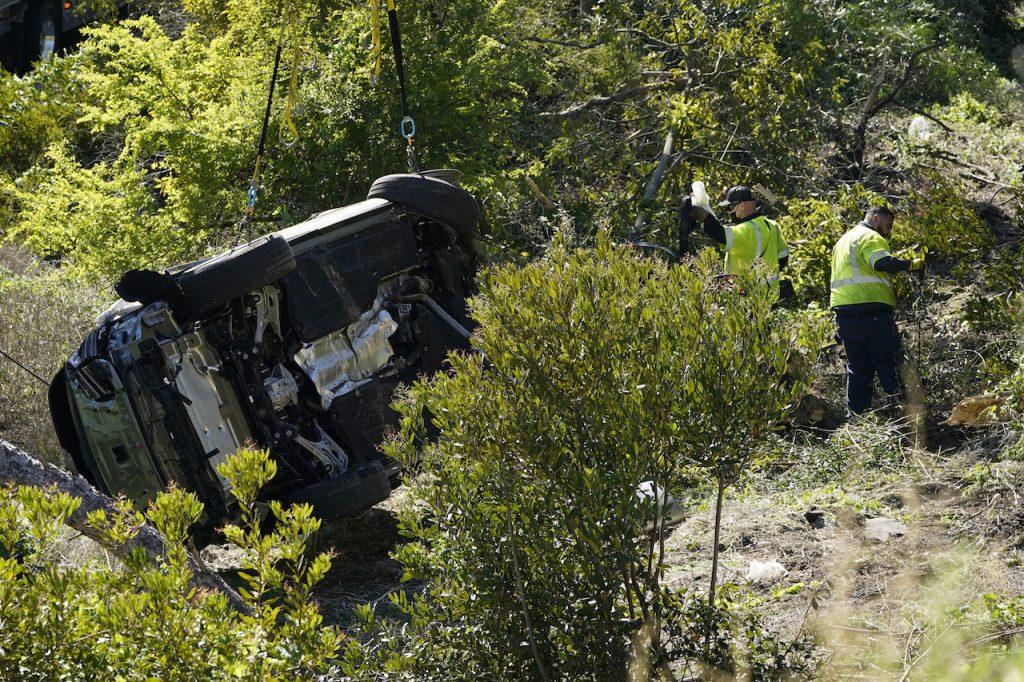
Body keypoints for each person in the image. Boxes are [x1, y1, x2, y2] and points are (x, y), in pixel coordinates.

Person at [830, 206, 924, 415]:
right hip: (872, 313)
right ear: (875, 218)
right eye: (888, 225)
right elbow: (881, 262)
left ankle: (856, 417)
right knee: (886, 363)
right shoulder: (870, 236)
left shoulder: (843, 240)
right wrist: (910, 265)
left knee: (857, 369)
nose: (889, 231)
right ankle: (903, 415)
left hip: (845, 314)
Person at [680, 185, 789, 292]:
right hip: (772, 294)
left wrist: (703, 216)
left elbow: (721, 234)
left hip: (751, 298)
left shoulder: (749, 229)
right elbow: (783, 258)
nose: (729, 211)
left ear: (742, 206)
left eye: (730, 207)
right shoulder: (772, 224)